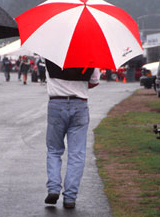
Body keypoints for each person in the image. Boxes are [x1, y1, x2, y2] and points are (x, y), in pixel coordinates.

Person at [43, 59, 100, 209]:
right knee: (76, 153)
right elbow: (94, 81)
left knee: (54, 150)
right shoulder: (89, 55)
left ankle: (54, 188)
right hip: (79, 104)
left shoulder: (51, 53)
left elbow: (47, 76)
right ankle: (70, 197)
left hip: (56, 103)